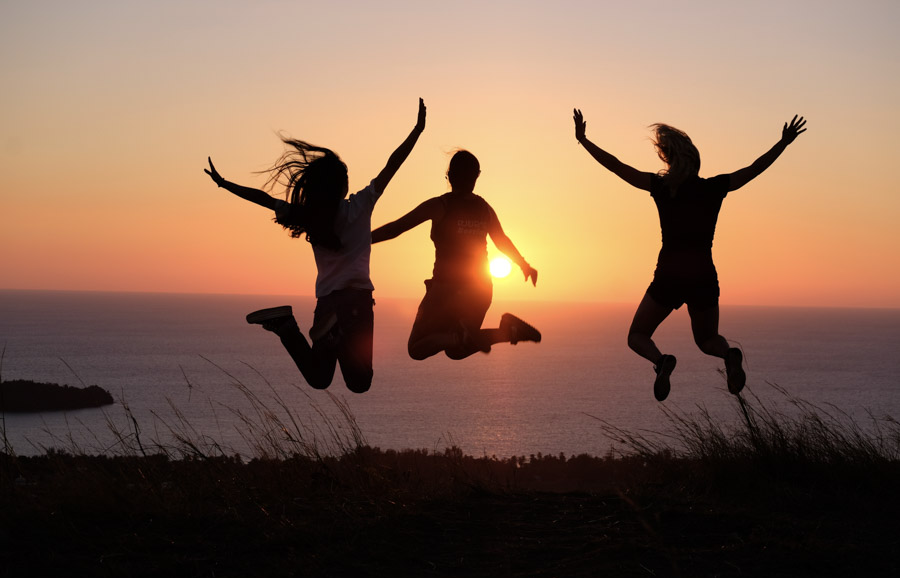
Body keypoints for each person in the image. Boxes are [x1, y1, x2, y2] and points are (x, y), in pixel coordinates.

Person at [573, 109, 807, 400]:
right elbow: (754, 169)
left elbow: (617, 167)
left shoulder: (661, 187)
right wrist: (782, 143)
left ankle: (661, 362)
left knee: (637, 336)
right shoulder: (714, 188)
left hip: (669, 274)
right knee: (708, 339)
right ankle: (729, 354)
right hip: (703, 274)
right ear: (696, 161)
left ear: (668, 159)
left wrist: (584, 140)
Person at [204, 98, 426, 393]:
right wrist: (417, 130)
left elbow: (263, 199)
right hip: (356, 303)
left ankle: (287, 327)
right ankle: (335, 334)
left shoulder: (308, 216)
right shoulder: (361, 205)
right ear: (343, 186)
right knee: (360, 382)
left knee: (320, 378)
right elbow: (392, 165)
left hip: (327, 305)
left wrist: (225, 184)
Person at [371, 150, 541, 361]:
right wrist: (524, 265)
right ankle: (506, 331)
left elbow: (395, 229)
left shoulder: (440, 205)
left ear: (449, 176)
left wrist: (360, 241)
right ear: (476, 177)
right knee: (457, 350)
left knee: (417, 348)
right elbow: (502, 241)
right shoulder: (484, 208)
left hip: (447, 290)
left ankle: (461, 336)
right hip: (480, 291)